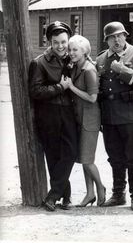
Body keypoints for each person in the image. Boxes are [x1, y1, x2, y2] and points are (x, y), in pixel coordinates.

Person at [96, 21, 133, 211]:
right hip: (110, 117)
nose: (116, 40)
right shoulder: (101, 59)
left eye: (120, 36)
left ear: (126, 36)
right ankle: (118, 194)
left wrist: (124, 70)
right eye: (112, 37)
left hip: (132, 115)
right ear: (107, 40)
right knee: (115, 157)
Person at [29, 21, 78, 211]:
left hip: (68, 112)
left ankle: (52, 196)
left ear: (68, 41)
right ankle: (65, 197)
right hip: (48, 113)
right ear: (49, 41)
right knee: (53, 155)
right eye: (56, 42)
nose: (60, 46)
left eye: (63, 42)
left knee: (71, 152)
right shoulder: (39, 62)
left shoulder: (72, 58)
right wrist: (60, 87)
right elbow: (36, 91)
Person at [66, 35, 106, 207]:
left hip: (89, 120)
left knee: (87, 160)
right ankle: (90, 194)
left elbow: (92, 97)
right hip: (79, 118)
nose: (71, 53)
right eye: (70, 49)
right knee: (83, 157)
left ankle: (101, 187)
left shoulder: (89, 69)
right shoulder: (76, 67)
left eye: (75, 50)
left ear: (84, 51)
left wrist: (71, 87)